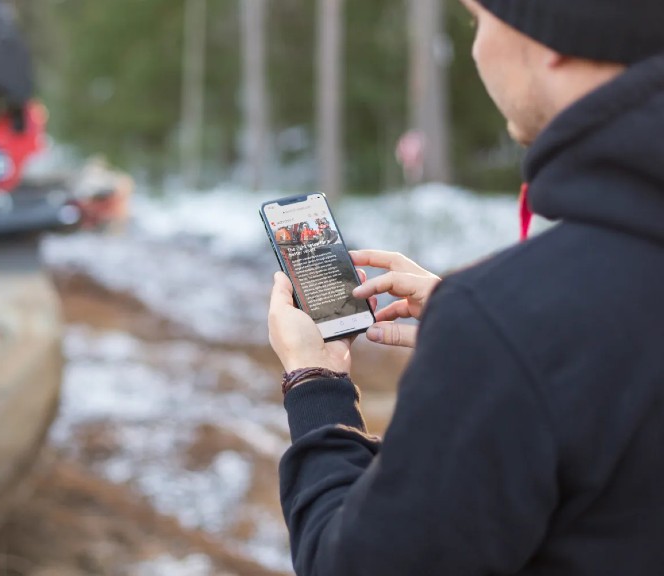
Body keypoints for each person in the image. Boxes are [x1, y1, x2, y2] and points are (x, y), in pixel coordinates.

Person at [267, 1, 664, 574]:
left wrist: (315, 382)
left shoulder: (506, 327)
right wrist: (496, 324)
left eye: (478, 22)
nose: (476, 49)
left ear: (550, 35)